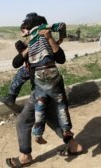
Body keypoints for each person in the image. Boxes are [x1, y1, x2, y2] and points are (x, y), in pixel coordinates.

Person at [6, 13, 83, 167]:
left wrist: (50, 38)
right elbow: (16, 63)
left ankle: (25, 156)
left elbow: (60, 58)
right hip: (45, 88)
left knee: (23, 121)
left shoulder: (46, 40)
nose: (25, 31)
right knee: (53, 119)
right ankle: (74, 145)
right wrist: (27, 49)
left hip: (43, 88)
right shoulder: (32, 45)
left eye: (26, 27)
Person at [20, 14, 72, 144]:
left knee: (40, 104)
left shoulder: (31, 38)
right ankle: (66, 130)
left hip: (38, 74)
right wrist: (61, 37)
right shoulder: (43, 28)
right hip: (50, 70)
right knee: (60, 102)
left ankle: (37, 134)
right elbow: (61, 25)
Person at [0, 40, 30, 106]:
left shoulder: (31, 45)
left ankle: (11, 97)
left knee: (20, 74)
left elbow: (16, 63)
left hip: (34, 69)